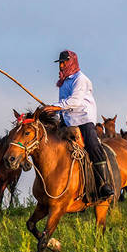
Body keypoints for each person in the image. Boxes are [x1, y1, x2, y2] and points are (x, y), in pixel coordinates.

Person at [45, 50, 114, 200]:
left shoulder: (81, 79)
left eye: (64, 62)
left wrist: (55, 106)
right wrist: (53, 112)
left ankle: (104, 184)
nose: (61, 66)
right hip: (68, 120)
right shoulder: (63, 82)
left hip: (83, 119)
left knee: (93, 146)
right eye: (60, 63)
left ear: (72, 62)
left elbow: (74, 101)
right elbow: (63, 106)